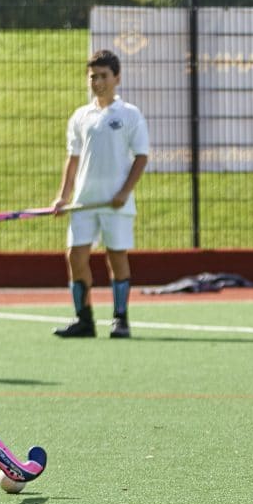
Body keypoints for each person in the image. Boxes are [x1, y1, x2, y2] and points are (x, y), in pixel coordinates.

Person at [50, 49, 149, 339]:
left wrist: (124, 192)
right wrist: (63, 197)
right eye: (93, 76)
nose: (98, 82)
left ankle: (121, 319)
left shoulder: (129, 114)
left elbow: (141, 157)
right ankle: (84, 319)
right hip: (84, 202)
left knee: (116, 257)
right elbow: (73, 159)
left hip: (115, 202)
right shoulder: (80, 116)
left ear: (117, 78)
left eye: (104, 76)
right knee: (75, 256)